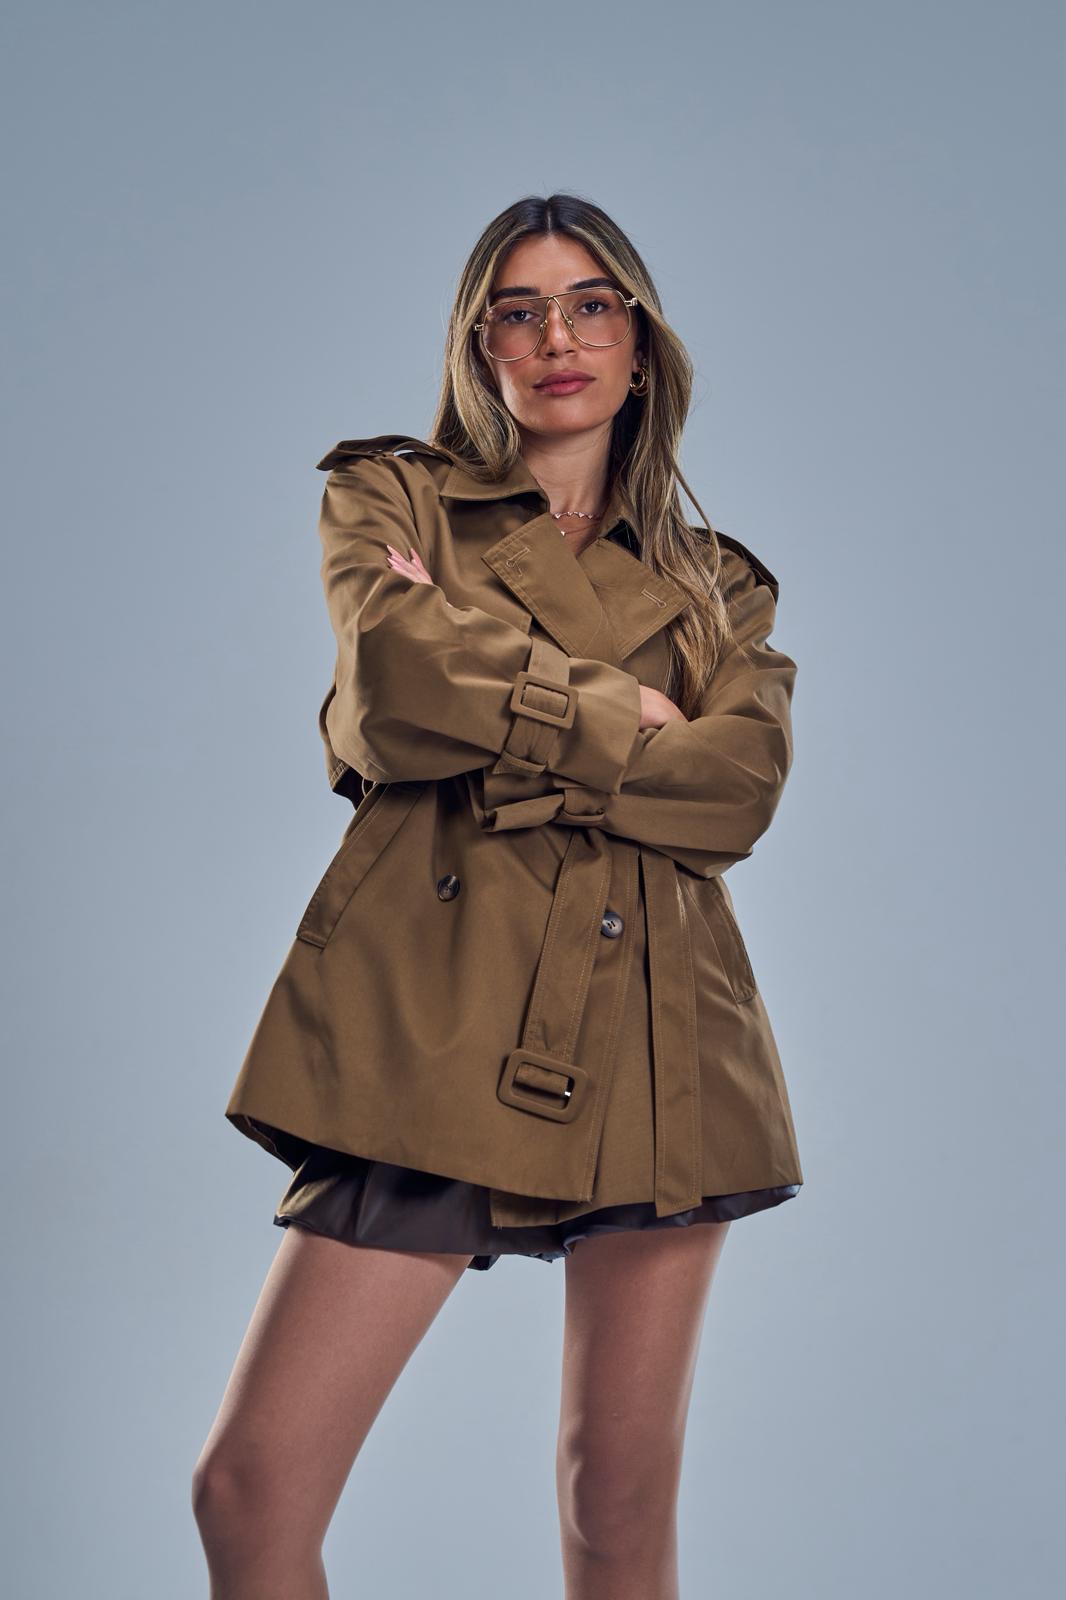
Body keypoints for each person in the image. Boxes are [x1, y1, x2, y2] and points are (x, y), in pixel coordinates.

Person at [193, 192, 803, 1600]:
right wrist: (627, 716)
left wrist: (498, 712)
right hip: (440, 1003)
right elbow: (392, 688)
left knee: (613, 1502)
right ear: (480, 349)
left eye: (590, 305)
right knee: (249, 1492)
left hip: (655, 1018)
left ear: (639, 344)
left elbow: (737, 791)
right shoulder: (394, 496)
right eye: (516, 312)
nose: (556, 338)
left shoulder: (715, 585)